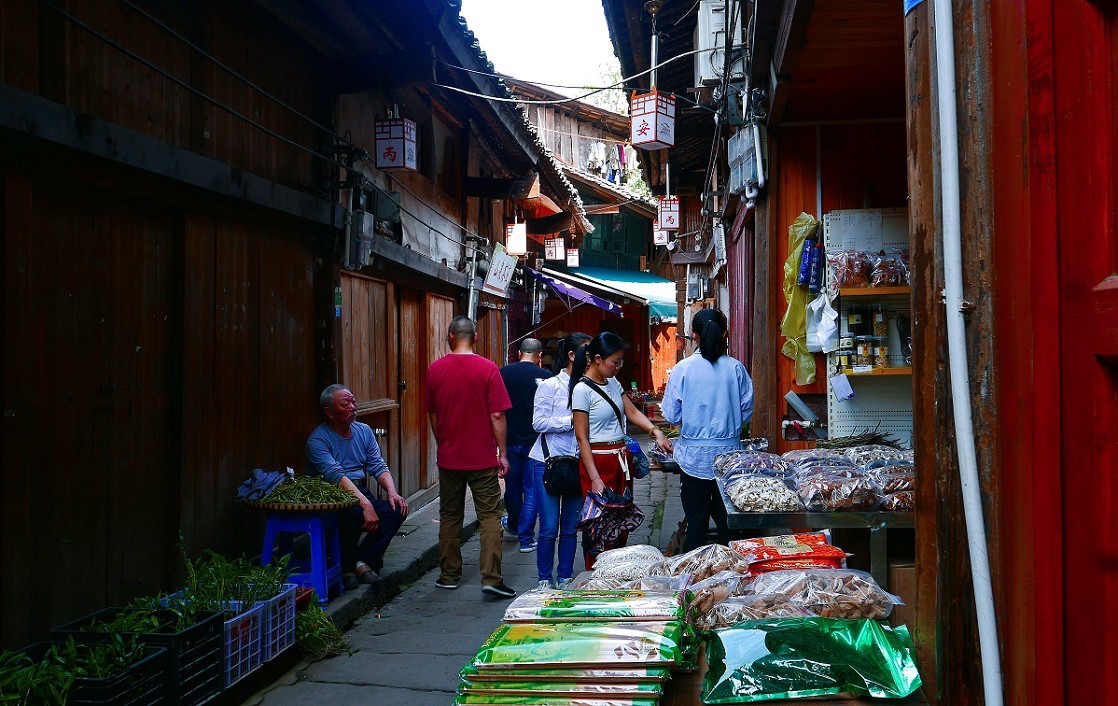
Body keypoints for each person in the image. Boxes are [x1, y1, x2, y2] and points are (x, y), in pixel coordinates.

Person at [426, 316, 517, 598]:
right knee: (490, 516)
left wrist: (443, 442)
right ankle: (491, 578)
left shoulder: (434, 370)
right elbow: (497, 415)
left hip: (449, 456)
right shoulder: (488, 369)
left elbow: (433, 413)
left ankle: (449, 575)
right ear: (475, 338)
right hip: (481, 457)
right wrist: (503, 453)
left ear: (449, 337)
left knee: (450, 515)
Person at [570, 332, 672, 570]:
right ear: (597, 358)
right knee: (598, 524)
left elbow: (632, 413)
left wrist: (656, 432)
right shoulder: (581, 390)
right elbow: (582, 438)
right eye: (614, 362)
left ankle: (618, 569)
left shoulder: (614, 383)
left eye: (620, 362)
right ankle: (595, 575)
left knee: (620, 520)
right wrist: (594, 478)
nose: (618, 367)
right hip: (598, 463)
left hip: (620, 461)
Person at [661, 308, 754, 552]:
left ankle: (695, 577)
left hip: (693, 458)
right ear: (724, 333)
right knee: (729, 523)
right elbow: (746, 412)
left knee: (696, 522)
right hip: (729, 457)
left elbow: (671, 414)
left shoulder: (683, 369)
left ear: (693, 335)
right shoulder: (736, 368)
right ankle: (734, 575)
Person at [306, 384, 409, 589]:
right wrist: (366, 506)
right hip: (333, 494)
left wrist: (392, 493)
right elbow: (337, 476)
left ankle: (362, 561)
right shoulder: (317, 440)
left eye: (354, 402)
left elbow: (378, 465)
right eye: (346, 404)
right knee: (354, 513)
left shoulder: (363, 431)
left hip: (360, 490)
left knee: (396, 510)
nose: (353, 407)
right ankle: (345, 566)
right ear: (329, 412)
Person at [529, 332, 591, 588]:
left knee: (570, 528)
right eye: (588, 355)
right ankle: (544, 578)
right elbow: (538, 423)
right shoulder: (550, 385)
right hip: (546, 462)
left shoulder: (589, 387)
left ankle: (565, 576)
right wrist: (573, 422)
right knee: (548, 527)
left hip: (576, 464)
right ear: (572, 356)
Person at [499, 339, 550, 553]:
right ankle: (526, 538)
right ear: (539, 355)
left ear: (519, 353)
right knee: (531, 489)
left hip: (509, 440)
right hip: (535, 442)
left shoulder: (503, 373)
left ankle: (513, 524)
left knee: (513, 487)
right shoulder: (547, 378)